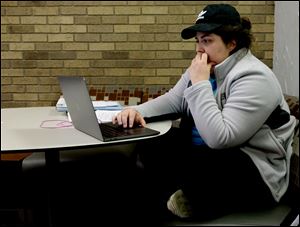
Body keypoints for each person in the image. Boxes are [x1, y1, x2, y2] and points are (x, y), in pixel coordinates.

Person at [113, 3, 296, 221]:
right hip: (208, 153)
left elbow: (221, 138)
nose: (199, 49)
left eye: (207, 40)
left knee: (201, 166)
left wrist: (200, 83)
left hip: (252, 166)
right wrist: (134, 111)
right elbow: (174, 100)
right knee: (151, 143)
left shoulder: (254, 77)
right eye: (198, 41)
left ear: (232, 42)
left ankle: (187, 200)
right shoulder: (205, 66)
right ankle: (184, 197)